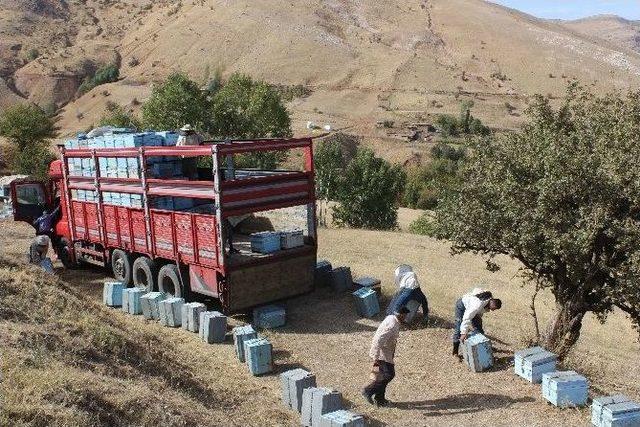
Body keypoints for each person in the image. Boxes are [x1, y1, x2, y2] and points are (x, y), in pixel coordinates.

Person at [362, 306, 410, 407]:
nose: (405, 318)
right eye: (405, 315)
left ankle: (380, 399)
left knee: (381, 376)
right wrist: (375, 355)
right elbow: (379, 339)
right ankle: (368, 391)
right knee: (389, 375)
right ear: (401, 315)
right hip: (382, 354)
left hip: (386, 352)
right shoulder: (392, 325)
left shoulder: (391, 318)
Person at [452, 287, 502, 361]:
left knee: (479, 329)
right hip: (462, 306)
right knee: (459, 328)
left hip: (472, 309)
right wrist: (463, 333)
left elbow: (477, 289)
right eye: (493, 308)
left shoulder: (488, 299)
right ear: (491, 303)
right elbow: (467, 318)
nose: (493, 310)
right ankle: (455, 353)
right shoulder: (477, 305)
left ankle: (482, 347)